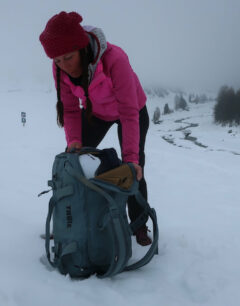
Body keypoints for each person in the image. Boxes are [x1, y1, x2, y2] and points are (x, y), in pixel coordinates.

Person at [39, 11, 151, 246]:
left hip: (131, 111)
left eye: (68, 57)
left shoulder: (115, 59)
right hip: (96, 113)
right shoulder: (60, 68)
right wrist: (75, 141)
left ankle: (139, 225)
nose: (64, 65)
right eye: (57, 60)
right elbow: (69, 110)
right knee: (72, 163)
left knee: (133, 169)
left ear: (81, 48)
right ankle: (69, 222)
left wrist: (130, 159)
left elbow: (129, 112)